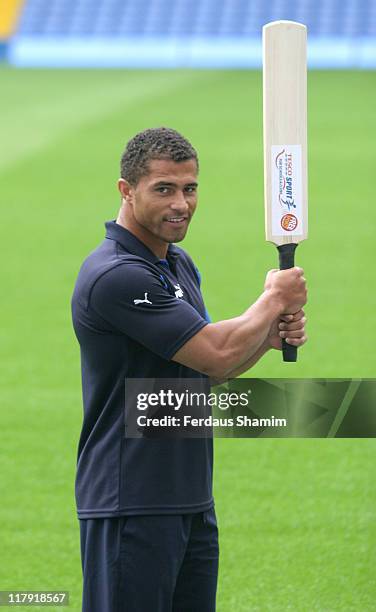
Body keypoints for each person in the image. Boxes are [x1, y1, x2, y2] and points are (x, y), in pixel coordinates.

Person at [71, 127, 307, 612]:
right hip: (130, 502)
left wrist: (265, 339)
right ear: (126, 190)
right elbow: (216, 351)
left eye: (190, 188)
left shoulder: (176, 263)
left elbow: (207, 369)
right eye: (164, 189)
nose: (181, 203)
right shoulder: (116, 275)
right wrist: (271, 301)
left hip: (189, 499)